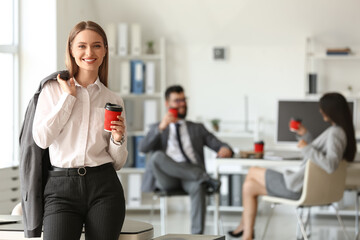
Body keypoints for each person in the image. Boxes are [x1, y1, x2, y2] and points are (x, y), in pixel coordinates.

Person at [32, 21, 127, 240]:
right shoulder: (52, 90)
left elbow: (118, 162)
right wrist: (68, 98)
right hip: (60, 188)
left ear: (104, 52)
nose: (89, 52)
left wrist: (118, 139)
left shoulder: (113, 100)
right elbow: (42, 139)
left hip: (104, 186)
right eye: (82, 46)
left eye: (96, 46)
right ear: (72, 51)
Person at [228, 92, 357, 240]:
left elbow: (330, 165)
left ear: (331, 110)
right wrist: (306, 136)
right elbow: (321, 152)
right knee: (249, 186)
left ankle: (244, 229)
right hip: (309, 188)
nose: (320, 111)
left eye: (322, 109)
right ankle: (247, 234)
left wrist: (306, 148)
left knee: (252, 171)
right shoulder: (342, 132)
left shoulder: (335, 133)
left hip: (298, 188)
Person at [140, 85, 233, 234]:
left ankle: (196, 237)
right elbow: (143, 148)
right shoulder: (157, 127)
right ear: (167, 103)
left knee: (198, 186)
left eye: (183, 100)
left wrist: (226, 149)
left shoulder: (197, 127)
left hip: (190, 174)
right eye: (177, 101)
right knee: (157, 157)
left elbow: (219, 144)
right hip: (168, 176)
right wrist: (162, 127)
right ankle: (206, 178)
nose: (182, 103)